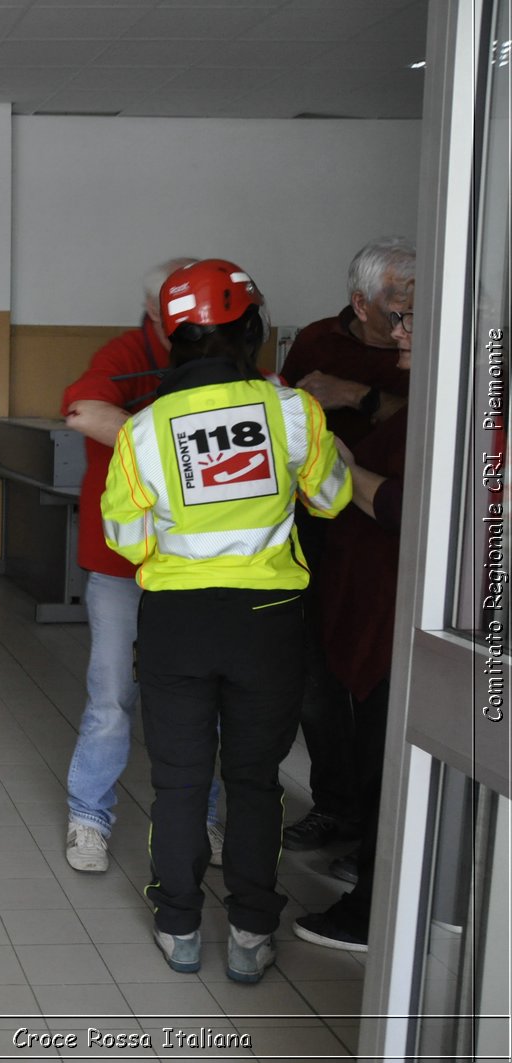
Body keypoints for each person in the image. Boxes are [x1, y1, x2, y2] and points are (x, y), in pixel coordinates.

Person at [102, 259, 350, 984]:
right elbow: (331, 497)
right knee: (254, 780)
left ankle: (178, 927)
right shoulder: (292, 412)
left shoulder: (145, 429)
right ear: (253, 328)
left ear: (170, 338)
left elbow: (126, 539)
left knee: (178, 781)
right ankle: (249, 931)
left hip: (178, 618)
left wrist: (177, 544)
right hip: (268, 621)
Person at [59, 258, 225, 875]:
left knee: (198, 700)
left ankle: (203, 819)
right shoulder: (125, 353)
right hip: (123, 564)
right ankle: (90, 818)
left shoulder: (226, 357)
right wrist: (173, 448)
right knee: (111, 697)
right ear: (158, 313)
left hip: (203, 567)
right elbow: (83, 410)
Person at [277, 237, 415, 855]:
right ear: (361, 303)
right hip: (316, 532)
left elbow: (437, 426)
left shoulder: (430, 357)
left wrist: (354, 396)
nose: (407, 318)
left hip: (388, 537)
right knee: (315, 674)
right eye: (398, 303)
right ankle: (335, 808)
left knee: (379, 681)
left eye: (417, 303)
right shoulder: (316, 341)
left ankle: (377, 830)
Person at [294, 295, 415, 954]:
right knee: (359, 740)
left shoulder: (464, 405)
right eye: (395, 314)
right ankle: (355, 842)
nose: (398, 330)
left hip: (399, 616)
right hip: (362, 598)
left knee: (386, 760)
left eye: (412, 319)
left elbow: (402, 504)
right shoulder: (318, 341)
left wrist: (338, 458)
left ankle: (375, 906)